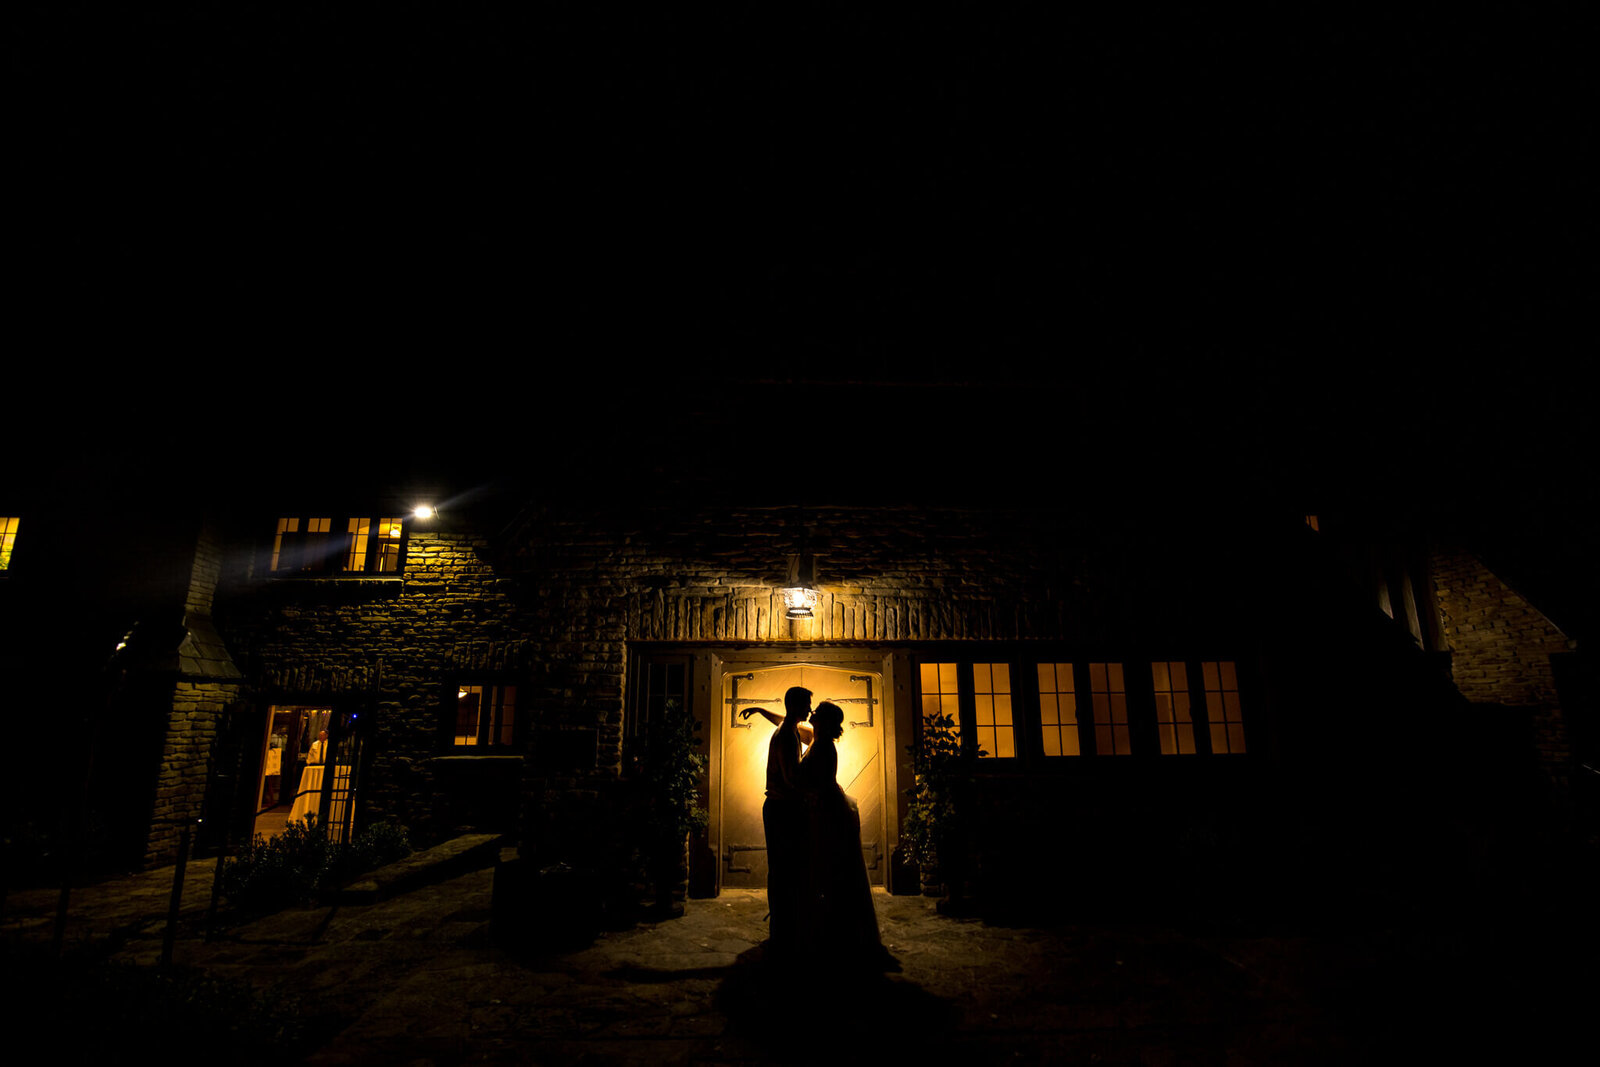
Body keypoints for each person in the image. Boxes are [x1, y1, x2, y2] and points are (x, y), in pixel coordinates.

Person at [798, 701, 888, 969]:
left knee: (833, 870)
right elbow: (789, 721)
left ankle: (837, 936)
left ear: (824, 722)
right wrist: (760, 711)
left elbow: (821, 783)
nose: (810, 715)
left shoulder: (824, 745)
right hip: (826, 808)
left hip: (828, 812)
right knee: (831, 871)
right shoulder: (818, 739)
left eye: (816, 714)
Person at [744, 685, 814, 958]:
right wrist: (813, 795)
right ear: (797, 706)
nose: (810, 709)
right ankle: (781, 932)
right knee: (783, 869)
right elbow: (791, 779)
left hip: (781, 808)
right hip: (782, 809)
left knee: (785, 869)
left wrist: (761, 710)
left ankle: (783, 928)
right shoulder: (787, 736)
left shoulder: (790, 728)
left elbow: (783, 718)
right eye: (807, 704)